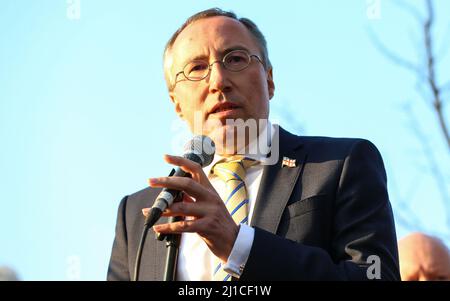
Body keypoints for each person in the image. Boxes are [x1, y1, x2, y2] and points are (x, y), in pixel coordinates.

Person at [107, 8, 400, 281]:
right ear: (176, 104)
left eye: (235, 59)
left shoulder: (341, 164)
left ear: (269, 80)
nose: (218, 81)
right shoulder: (138, 214)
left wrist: (241, 246)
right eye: (197, 68)